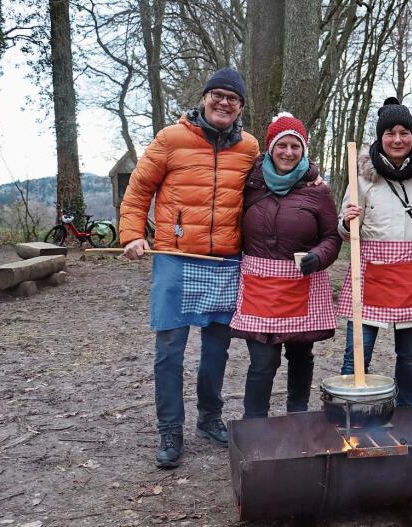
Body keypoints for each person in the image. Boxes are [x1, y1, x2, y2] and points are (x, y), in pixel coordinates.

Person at [118, 67, 259, 468]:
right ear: (204, 98)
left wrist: (313, 180)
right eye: (217, 95)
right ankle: (170, 431)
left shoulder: (248, 147)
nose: (224, 103)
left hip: (225, 261)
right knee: (169, 350)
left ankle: (209, 418)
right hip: (175, 257)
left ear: (241, 107)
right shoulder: (170, 138)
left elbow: (269, 185)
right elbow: (138, 189)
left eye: (232, 98)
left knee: (217, 348)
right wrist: (131, 234)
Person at [337, 97, 412, 407]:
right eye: (390, 133)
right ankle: (351, 409)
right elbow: (345, 231)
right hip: (370, 271)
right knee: (358, 351)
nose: (397, 139)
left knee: (410, 354)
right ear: (380, 137)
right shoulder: (361, 175)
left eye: (404, 132)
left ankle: (407, 409)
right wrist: (346, 224)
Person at [229, 112, 341, 418]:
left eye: (295, 146)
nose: (288, 152)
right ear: (270, 147)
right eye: (282, 145)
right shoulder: (250, 183)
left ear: (304, 150)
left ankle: (298, 415)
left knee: (301, 354)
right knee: (263, 361)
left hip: (301, 284)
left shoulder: (317, 191)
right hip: (258, 286)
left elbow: (332, 236)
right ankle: (254, 423)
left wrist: (319, 256)